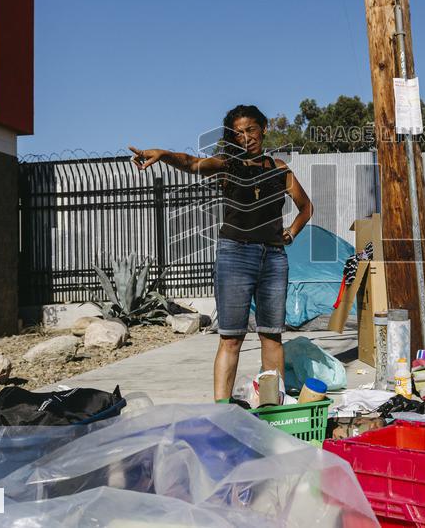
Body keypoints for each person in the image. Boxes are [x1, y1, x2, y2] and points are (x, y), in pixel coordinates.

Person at [129, 104, 313, 401]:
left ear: (263, 129)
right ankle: (222, 410)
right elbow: (190, 162)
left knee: (271, 335)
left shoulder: (279, 169)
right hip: (235, 257)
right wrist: (163, 155)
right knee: (231, 338)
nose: (246, 137)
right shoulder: (227, 165)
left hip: (273, 258)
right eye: (238, 133)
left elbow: (306, 208)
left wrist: (290, 233)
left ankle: (272, 406)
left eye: (251, 130)